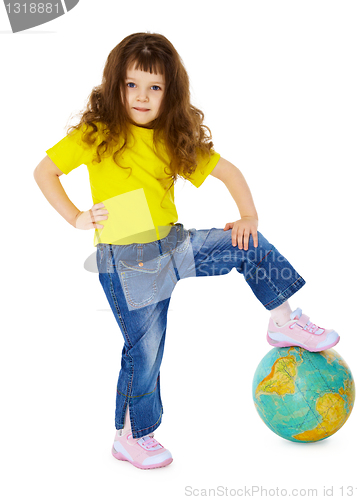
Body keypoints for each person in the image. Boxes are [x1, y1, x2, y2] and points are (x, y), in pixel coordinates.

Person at [33, 32, 340, 470]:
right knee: (145, 351)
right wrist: (76, 217)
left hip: (173, 246)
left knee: (248, 245)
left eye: (154, 87)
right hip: (126, 262)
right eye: (131, 84)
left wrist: (248, 216)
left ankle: (284, 322)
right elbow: (44, 172)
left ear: (169, 93)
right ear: (115, 86)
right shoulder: (97, 134)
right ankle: (132, 436)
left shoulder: (171, 138)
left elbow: (228, 172)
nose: (142, 96)